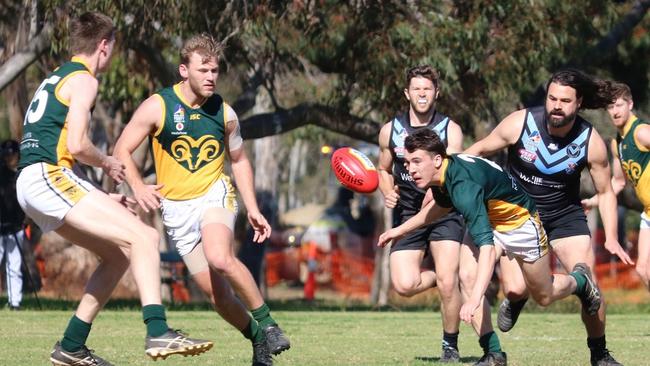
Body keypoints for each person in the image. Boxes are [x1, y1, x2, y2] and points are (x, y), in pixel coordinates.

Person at [16, 12, 212, 366]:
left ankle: (72, 345)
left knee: (120, 254)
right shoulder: (84, 80)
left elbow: (58, 147)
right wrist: (107, 161)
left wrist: (102, 196)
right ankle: (158, 331)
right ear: (103, 46)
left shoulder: (57, 76)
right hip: (46, 177)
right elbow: (76, 145)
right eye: (114, 48)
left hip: (38, 181)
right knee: (145, 238)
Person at [113, 33, 290, 366]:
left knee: (220, 257)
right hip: (177, 211)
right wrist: (137, 186)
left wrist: (252, 208)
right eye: (203, 70)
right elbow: (121, 149)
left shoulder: (225, 113)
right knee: (218, 296)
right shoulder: (158, 106)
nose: (211, 77)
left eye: (215, 71)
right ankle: (257, 340)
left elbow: (238, 160)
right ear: (184, 70)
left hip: (214, 194)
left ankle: (269, 325)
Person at [378, 128, 603, 366]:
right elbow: (438, 208)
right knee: (467, 275)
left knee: (544, 295)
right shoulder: (444, 174)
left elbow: (486, 249)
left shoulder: (463, 186)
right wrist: (399, 230)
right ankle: (493, 353)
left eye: (416, 162)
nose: (409, 169)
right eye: (407, 162)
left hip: (520, 224)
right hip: (492, 220)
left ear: (436, 159)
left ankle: (580, 281)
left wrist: (475, 299)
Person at [465, 69, 634, 366]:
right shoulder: (521, 123)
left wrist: (610, 237)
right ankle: (516, 300)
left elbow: (606, 192)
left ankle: (600, 354)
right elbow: (478, 150)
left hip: (564, 217)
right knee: (516, 288)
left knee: (590, 289)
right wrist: (450, 178)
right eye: (552, 98)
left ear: (578, 102)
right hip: (516, 215)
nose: (556, 105)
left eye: (565, 100)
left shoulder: (590, 141)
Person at [377, 65, 466, 362]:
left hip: (444, 211)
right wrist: (386, 190)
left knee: (449, 282)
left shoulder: (450, 130)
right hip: (407, 213)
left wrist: (437, 186)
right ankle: (444, 278)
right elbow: (382, 168)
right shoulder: (391, 130)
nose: (422, 94)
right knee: (404, 285)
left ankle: (450, 346)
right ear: (407, 93)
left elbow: (453, 168)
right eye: (416, 88)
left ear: (437, 93)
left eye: (427, 88)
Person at [583, 82, 650, 291]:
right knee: (642, 269)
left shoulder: (641, 132)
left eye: (619, 105)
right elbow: (618, 182)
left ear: (630, 104)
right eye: (610, 107)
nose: (615, 111)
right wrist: (595, 201)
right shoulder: (617, 144)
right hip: (648, 213)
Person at [0, 139, 25, 310]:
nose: (11, 158)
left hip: (16, 227)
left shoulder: (22, 175)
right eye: (8, 155)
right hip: (1, 226)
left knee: (14, 267)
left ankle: (14, 302)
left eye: (13, 155)